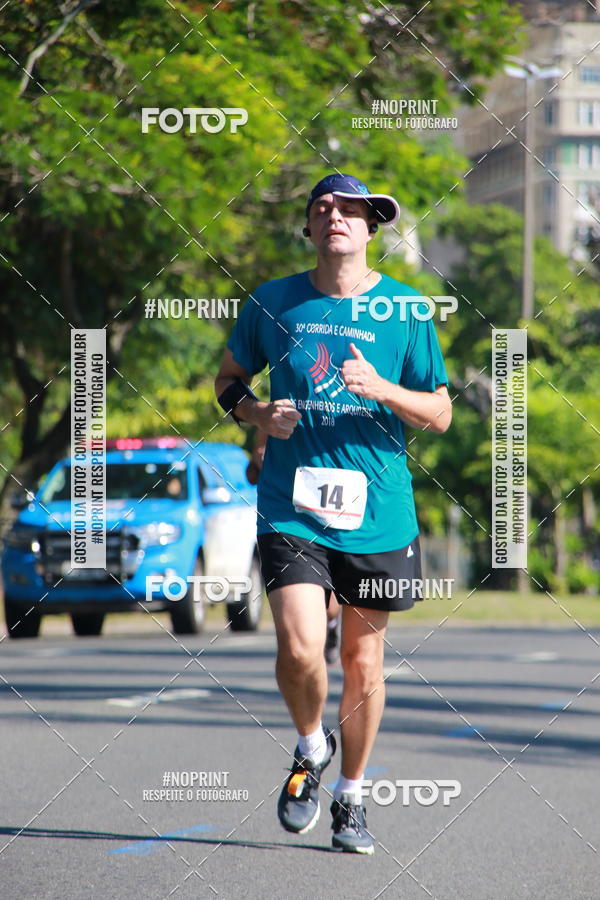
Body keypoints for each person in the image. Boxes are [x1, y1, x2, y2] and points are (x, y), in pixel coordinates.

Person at [215, 172, 451, 854]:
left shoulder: (407, 312)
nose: (335, 217)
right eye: (322, 209)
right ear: (310, 229)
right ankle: (309, 744)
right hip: (294, 506)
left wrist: (382, 388)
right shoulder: (273, 303)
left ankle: (350, 794)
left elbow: (438, 413)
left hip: (379, 510)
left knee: (362, 662)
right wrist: (258, 412)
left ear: (371, 228)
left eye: (350, 210)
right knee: (296, 645)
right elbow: (228, 381)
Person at [247, 429, 341, 665]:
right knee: (304, 610)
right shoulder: (280, 409)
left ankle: (330, 626)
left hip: (339, 515)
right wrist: (260, 458)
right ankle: (315, 636)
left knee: (330, 605)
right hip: (293, 520)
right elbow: (252, 472)